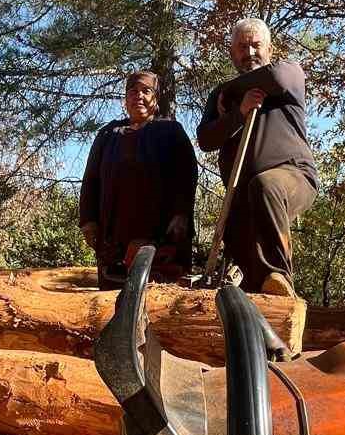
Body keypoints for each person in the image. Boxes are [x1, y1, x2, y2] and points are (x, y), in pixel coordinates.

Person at [196, 18, 318, 296]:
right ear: (232, 53)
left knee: (266, 185)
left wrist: (231, 92)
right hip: (240, 198)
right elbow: (206, 139)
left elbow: (274, 78)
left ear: (270, 49)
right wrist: (239, 112)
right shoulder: (220, 95)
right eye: (241, 47)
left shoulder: (289, 72)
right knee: (244, 267)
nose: (249, 53)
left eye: (255, 45)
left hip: (293, 176)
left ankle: (278, 278)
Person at [79, 70, 198, 287]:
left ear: (156, 97)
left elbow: (186, 177)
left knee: (160, 302)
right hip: (113, 239)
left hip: (161, 236)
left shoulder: (171, 131)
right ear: (125, 98)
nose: (139, 96)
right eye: (133, 92)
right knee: (113, 302)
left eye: (146, 91)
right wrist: (88, 221)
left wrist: (181, 214)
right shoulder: (108, 134)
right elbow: (91, 179)